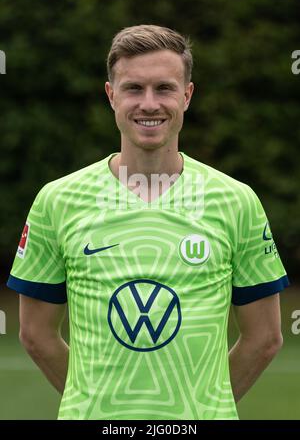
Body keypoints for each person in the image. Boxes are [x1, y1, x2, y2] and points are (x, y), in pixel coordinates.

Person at [7, 25, 289, 420]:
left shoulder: (236, 200)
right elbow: (35, 335)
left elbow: (264, 338)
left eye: (165, 88)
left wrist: (202, 409)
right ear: (111, 95)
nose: (149, 103)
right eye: (134, 89)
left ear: (187, 96)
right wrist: (98, 407)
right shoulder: (57, 201)